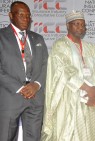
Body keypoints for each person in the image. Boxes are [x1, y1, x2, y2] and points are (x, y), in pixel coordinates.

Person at [41, 11, 95, 141]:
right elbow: (64, 70)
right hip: (69, 97)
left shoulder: (92, 48)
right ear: (68, 25)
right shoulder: (60, 45)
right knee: (69, 133)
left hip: (89, 98)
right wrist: (87, 88)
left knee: (90, 133)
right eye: (76, 24)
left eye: (82, 24)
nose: (80, 27)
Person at [0, 1, 48, 141]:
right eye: (21, 15)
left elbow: (46, 64)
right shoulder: (2, 36)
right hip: (10, 97)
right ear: (10, 15)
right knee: (6, 137)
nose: (26, 19)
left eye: (28, 15)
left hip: (35, 96)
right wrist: (20, 87)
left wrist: (36, 84)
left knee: (34, 137)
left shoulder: (38, 38)